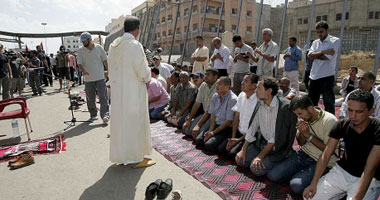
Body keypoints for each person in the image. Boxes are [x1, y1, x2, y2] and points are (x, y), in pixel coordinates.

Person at [303, 90, 380, 200]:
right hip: (342, 172)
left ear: (371, 111)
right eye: (350, 110)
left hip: (368, 178)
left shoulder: (377, 129)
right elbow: (326, 155)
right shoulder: (342, 125)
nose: (353, 116)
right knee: (309, 196)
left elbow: (370, 169)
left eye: (359, 112)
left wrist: (357, 198)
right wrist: (313, 183)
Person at [108, 16, 155, 167]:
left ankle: (123, 157)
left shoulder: (114, 45)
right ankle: (135, 157)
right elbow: (142, 71)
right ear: (137, 29)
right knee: (134, 122)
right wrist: (148, 76)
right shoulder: (134, 45)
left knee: (122, 124)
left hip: (118, 92)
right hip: (133, 91)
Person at [268, 94, 338, 194]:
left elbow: (329, 151)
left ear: (310, 108)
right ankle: (299, 175)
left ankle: (318, 177)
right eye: (297, 115)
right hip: (303, 154)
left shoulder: (329, 120)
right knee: (273, 175)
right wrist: (301, 133)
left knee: (296, 186)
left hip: (321, 161)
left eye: (300, 113)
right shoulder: (305, 118)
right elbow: (301, 143)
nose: (299, 117)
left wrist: (308, 136)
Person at [235, 76, 297, 176]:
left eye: (259, 88)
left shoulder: (284, 107)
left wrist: (260, 156)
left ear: (269, 91)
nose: (255, 91)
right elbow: (252, 128)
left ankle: (287, 160)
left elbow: (276, 138)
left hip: (278, 147)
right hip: (263, 142)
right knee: (240, 159)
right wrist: (243, 149)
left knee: (256, 169)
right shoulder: (260, 103)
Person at [218, 73, 259, 158]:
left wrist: (238, 140)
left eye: (246, 81)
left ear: (253, 86)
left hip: (249, 137)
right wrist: (233, 137)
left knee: (232, 154)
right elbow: (236, 116)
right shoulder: (241, 95)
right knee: (221, 149)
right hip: (239, 132)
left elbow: (254, 127)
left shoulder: (258, 100)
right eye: (243, 80)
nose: (242, 82)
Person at [195, 77, 237, 153]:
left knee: (209, 145)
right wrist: (211, 130)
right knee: (199, 140)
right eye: (216, 83)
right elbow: (213, 114)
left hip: (226, 128)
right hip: (216, 125)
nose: (216, 85)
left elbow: (228, 122)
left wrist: (213, 133)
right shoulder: (215, 96)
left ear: (227, 87)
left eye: (219, 84)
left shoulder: (232, 99)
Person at [307, 21, 340, 114]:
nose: (319, 34)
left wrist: (316, 55)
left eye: (321, 32)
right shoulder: (315, 42)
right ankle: (312, 122)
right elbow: (309, 56)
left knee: (328, 102)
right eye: (317, 32)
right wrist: (323, 51)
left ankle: (330, 124)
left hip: (327, 76)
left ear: (327, 30)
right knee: (312, 102)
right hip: (314, 76)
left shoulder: (335, 41)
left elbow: (327, 58)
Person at [77, 32, 110, 123]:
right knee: (90, 98)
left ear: (90, 39)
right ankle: (93, 114)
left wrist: (109, 71)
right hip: (88, 78)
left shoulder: (99, 48)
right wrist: (83, 71)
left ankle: (105, 115)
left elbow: (105, 60)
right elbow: (79, 63)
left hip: (100, 76)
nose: (83, 43)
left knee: (103, 96)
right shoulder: (80, 51)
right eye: (82, 41)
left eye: (84, 41)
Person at [183, 68, 218, 137]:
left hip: (214, 117)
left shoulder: (218, 86)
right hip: (204, 114)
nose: (206, 76)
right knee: (187, 130)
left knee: (198, 137)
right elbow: (197, 103)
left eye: (208, 75)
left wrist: (198, 125)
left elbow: (209, 110)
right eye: (205, 74)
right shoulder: (203, 85)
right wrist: (189, 120)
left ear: (215, 77)